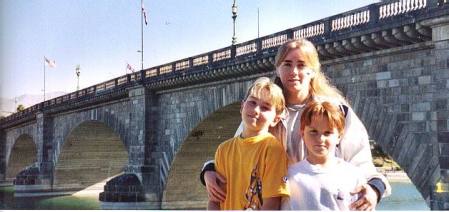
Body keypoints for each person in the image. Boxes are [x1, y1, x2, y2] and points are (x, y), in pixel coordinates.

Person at [200, 38, 391, 211]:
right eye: (287, 64)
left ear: (313, 71)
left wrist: (374, 189)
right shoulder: (265, 111)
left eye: (301, 65)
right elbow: (239, 151)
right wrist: (209, 170)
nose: (294, 72)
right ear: (277, 68)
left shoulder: (335, 111)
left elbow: (360, 161)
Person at [208, 77, 289, 210]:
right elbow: (214, 200)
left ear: (275, 119)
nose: (256, 110)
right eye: (252, 102)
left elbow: (272, 204)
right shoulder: (223, 149)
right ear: (242, 106)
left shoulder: (273, 149)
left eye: (265, 107)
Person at [282, 100, 366, 210]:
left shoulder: (353, 175)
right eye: (313, 132)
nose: (320, 139)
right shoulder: (291, 176)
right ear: (302, 133)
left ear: (339, 136)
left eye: (327, 133)